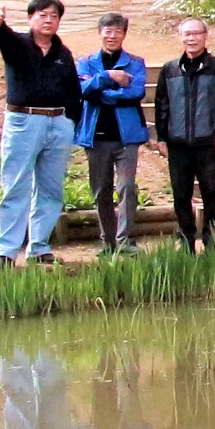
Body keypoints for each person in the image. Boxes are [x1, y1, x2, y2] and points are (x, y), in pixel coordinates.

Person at [0, 0, 80, 265]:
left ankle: (39, 246)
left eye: (54, 16)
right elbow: (2, 36)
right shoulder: (18, 44)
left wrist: (70, 121)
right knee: (16, 185)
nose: (48, 20)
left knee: (51, 188)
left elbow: (73, 90)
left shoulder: (63, 53)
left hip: (58, 122)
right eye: (42, 15)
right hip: (23, 121)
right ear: (30, 18)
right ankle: (6, 251)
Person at [150, 18, 215, 253]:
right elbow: (162, 105)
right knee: (181, 195)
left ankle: (211, 242)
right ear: (180, 36)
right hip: (178, 144)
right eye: (187, 34)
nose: (192, 38)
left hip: (208, 143)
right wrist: (162, 136)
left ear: (205, 36)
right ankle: (186, 241)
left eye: (196, 33)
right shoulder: (169, 69)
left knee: (211, 193)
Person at [75, 14, 149, 255]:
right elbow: (81, 89)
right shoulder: (86, 63)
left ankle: (126, 240)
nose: (112, 36)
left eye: (118, 31)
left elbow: (135, 92)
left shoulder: (135, 62)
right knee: (101, 190)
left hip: (127, 137)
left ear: (124, 34)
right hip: (96, 137)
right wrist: (110, 77)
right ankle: (107, 241)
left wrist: (102, 93)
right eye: (108, 31)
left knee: (127, 187)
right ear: (100, 33)